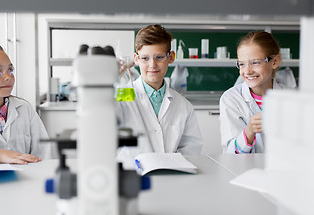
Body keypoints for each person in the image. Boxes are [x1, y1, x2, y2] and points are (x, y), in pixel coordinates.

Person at [116, 24, 203, 157]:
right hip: (133, 173)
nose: (152, 65)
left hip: (171, 174)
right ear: (136, 59)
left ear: (171, 57)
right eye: (145, 58)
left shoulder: (184, 106)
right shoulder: (121, 99)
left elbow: (191, 149)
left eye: (159, 57)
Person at [219, 31, 284, 154]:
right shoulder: (231, 99)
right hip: (246, 171)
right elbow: (230, 153)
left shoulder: (292, 98)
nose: (247, 71)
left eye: (255, 62)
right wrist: (249, 131)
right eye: (242, 64)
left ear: (275, 62)